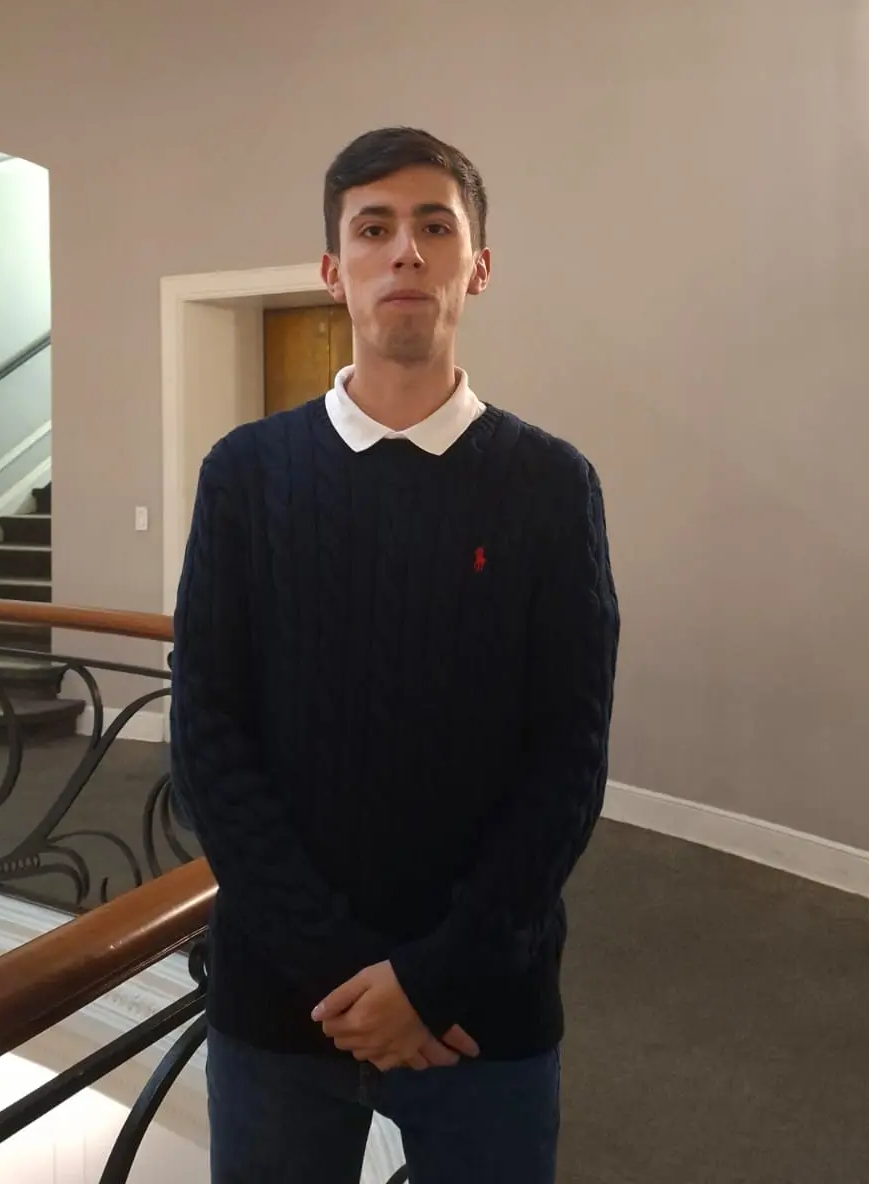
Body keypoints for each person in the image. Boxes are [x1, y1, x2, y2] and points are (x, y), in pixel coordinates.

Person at [170, 126, 620, 1184]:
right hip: (283, 1009)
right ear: (334, 271)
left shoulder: (552, 487)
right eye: (372, 229)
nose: (404, 251)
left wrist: (432, 981)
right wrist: (345, 977)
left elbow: (568, 759)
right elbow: (210, 742)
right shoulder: (244, 475)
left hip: (481, 1011)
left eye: (433, 227)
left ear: (478, 265)